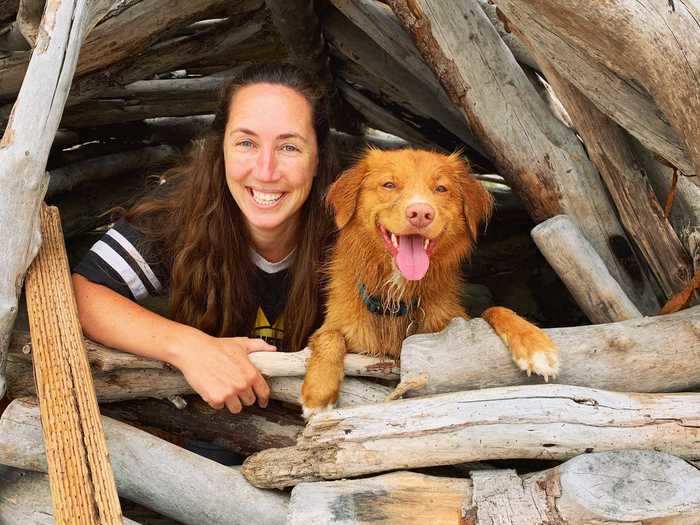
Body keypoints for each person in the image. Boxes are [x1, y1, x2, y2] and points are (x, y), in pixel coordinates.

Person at [72, 63, 337, 415]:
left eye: (289, 147)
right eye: (246, 143)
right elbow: (85, 291)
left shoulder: (355, 221)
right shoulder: (181, 209)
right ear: (221, 148)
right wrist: (188, 347)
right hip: (208, 419)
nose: (266, 170)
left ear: (318, 158)